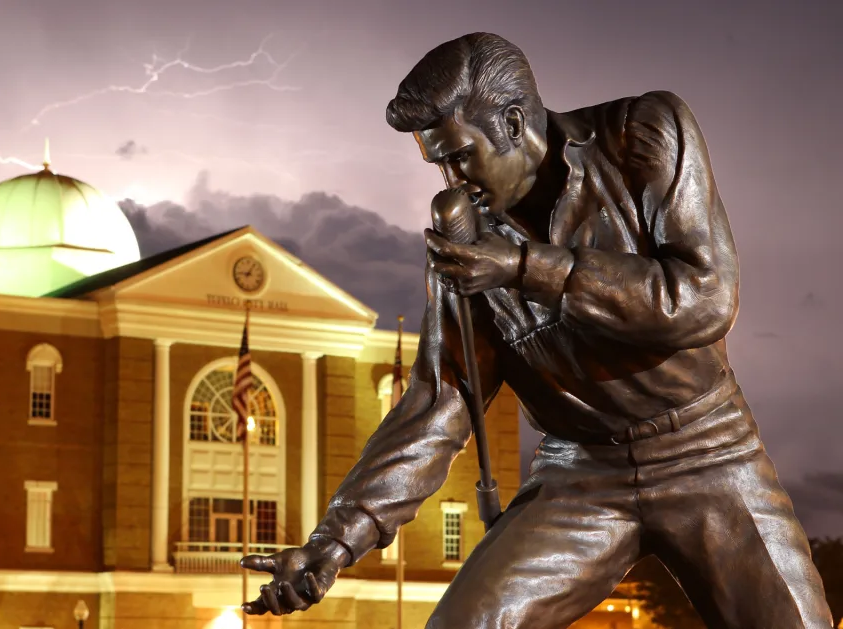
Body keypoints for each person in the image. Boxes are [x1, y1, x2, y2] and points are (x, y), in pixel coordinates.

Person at [240, 32, 833, 628]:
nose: (450, 180)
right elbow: (440, 402)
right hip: (578, 474)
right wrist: (334, 542)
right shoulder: (466, 242)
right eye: (438, 163)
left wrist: (527, 267)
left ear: (514, 123)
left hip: (708, 450)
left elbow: (704, 298)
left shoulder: (642, 134)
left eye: (460, 156)